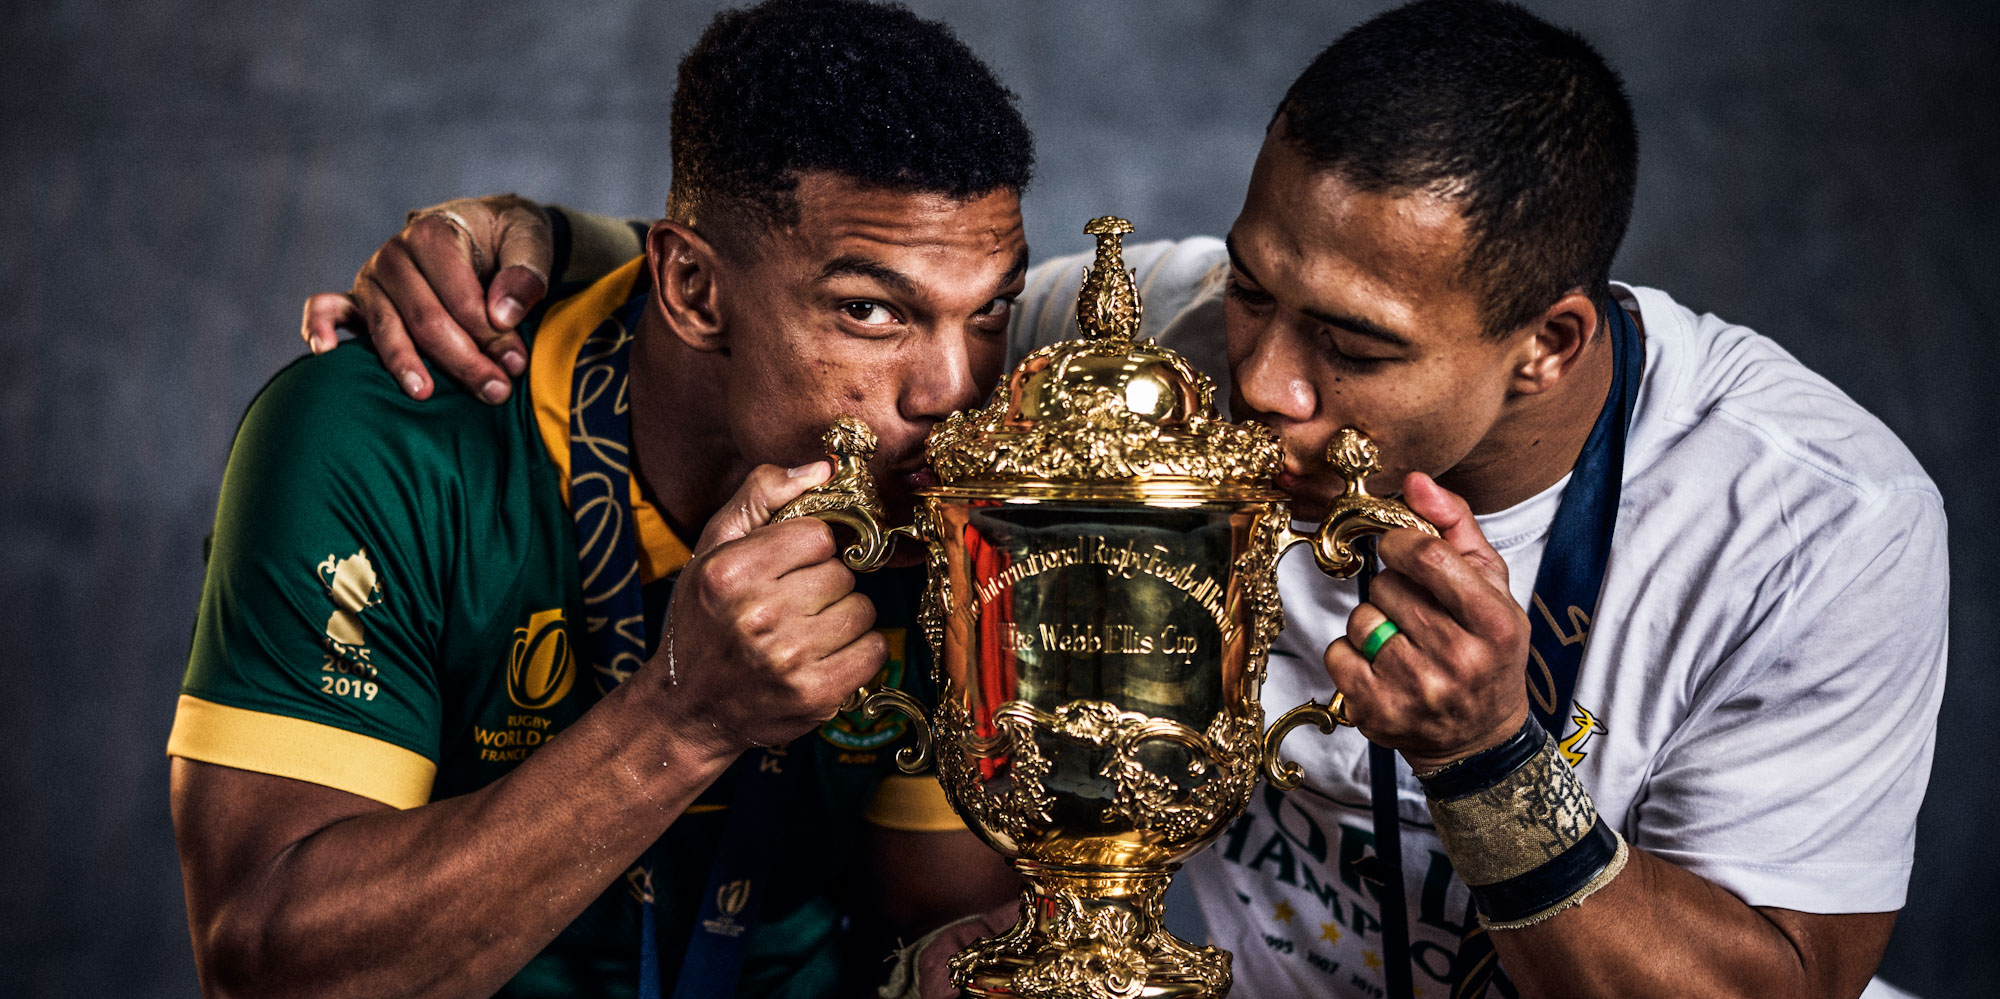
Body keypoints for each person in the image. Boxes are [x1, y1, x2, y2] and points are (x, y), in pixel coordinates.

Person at [318, 3, 1947, 998]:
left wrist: (1492, 758)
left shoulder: (1812, 524)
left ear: (1550, 344)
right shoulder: (1147, 348)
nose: (1268, 384)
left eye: (1356, 347)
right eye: (1257, 289)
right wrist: (516, 234)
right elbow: (816, 298)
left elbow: (1782, 983)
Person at [167, 2, 1033, 997]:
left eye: (989, 311)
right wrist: (685, 715)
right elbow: (268, 971)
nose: (949, 395)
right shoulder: (383, 437)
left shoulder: (963, 487)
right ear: (695, 291)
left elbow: (934, 913)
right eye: (871, 311)